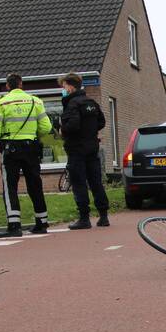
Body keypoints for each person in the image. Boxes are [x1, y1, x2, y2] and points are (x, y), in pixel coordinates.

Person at [0, 73, 52, 238]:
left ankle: (14, 225)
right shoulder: (35, 101)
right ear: (21, 84)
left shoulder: (1, 102)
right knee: (35, 184)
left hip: (11, 149)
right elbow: (46, 127)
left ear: (7, 86)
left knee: (10, 186)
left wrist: (7, 133)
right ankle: (42, 222)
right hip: (31, 147)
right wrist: (31, 133)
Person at [58, 72, 109, 229]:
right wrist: (90, 132)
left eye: (64, 86)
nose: (63, 89)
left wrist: (62, 130)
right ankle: (103, 216)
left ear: (71, 87)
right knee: (96, 182)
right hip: (92, 147)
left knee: (79, 182)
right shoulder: (91, 103)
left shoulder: (72, 104)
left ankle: (84, 218)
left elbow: (72, 125)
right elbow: (101, 122)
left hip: (76, 149)